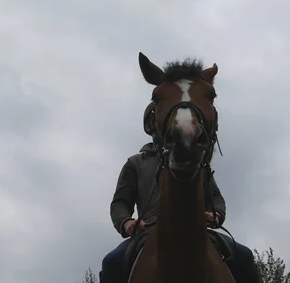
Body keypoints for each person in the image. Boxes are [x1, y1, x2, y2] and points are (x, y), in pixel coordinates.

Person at [100, 102, 260, 283]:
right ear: (150, 125)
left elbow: (215, 197)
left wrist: (217, 214)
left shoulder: (197, 161)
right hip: (150, 230)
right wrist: (126, 222)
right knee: (111, 263)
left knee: (244, 256)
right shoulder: (135, 163)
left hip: (198, 229)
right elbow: (120, 202)